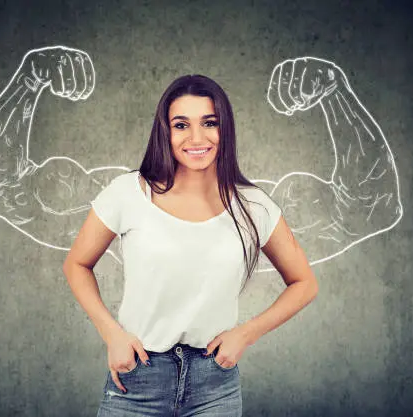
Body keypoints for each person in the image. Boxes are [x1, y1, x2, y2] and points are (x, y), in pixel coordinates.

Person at [62, 73, 319, 416]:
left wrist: (246, 334)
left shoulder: (253, 206)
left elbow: (305, 283)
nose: (197, 137)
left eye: (209, 123)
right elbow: (76, 264)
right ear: (165, 132)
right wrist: (111, 334)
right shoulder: (129, 193)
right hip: (138, 377)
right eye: (181, 125)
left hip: (215, 384)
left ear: (224, 128)